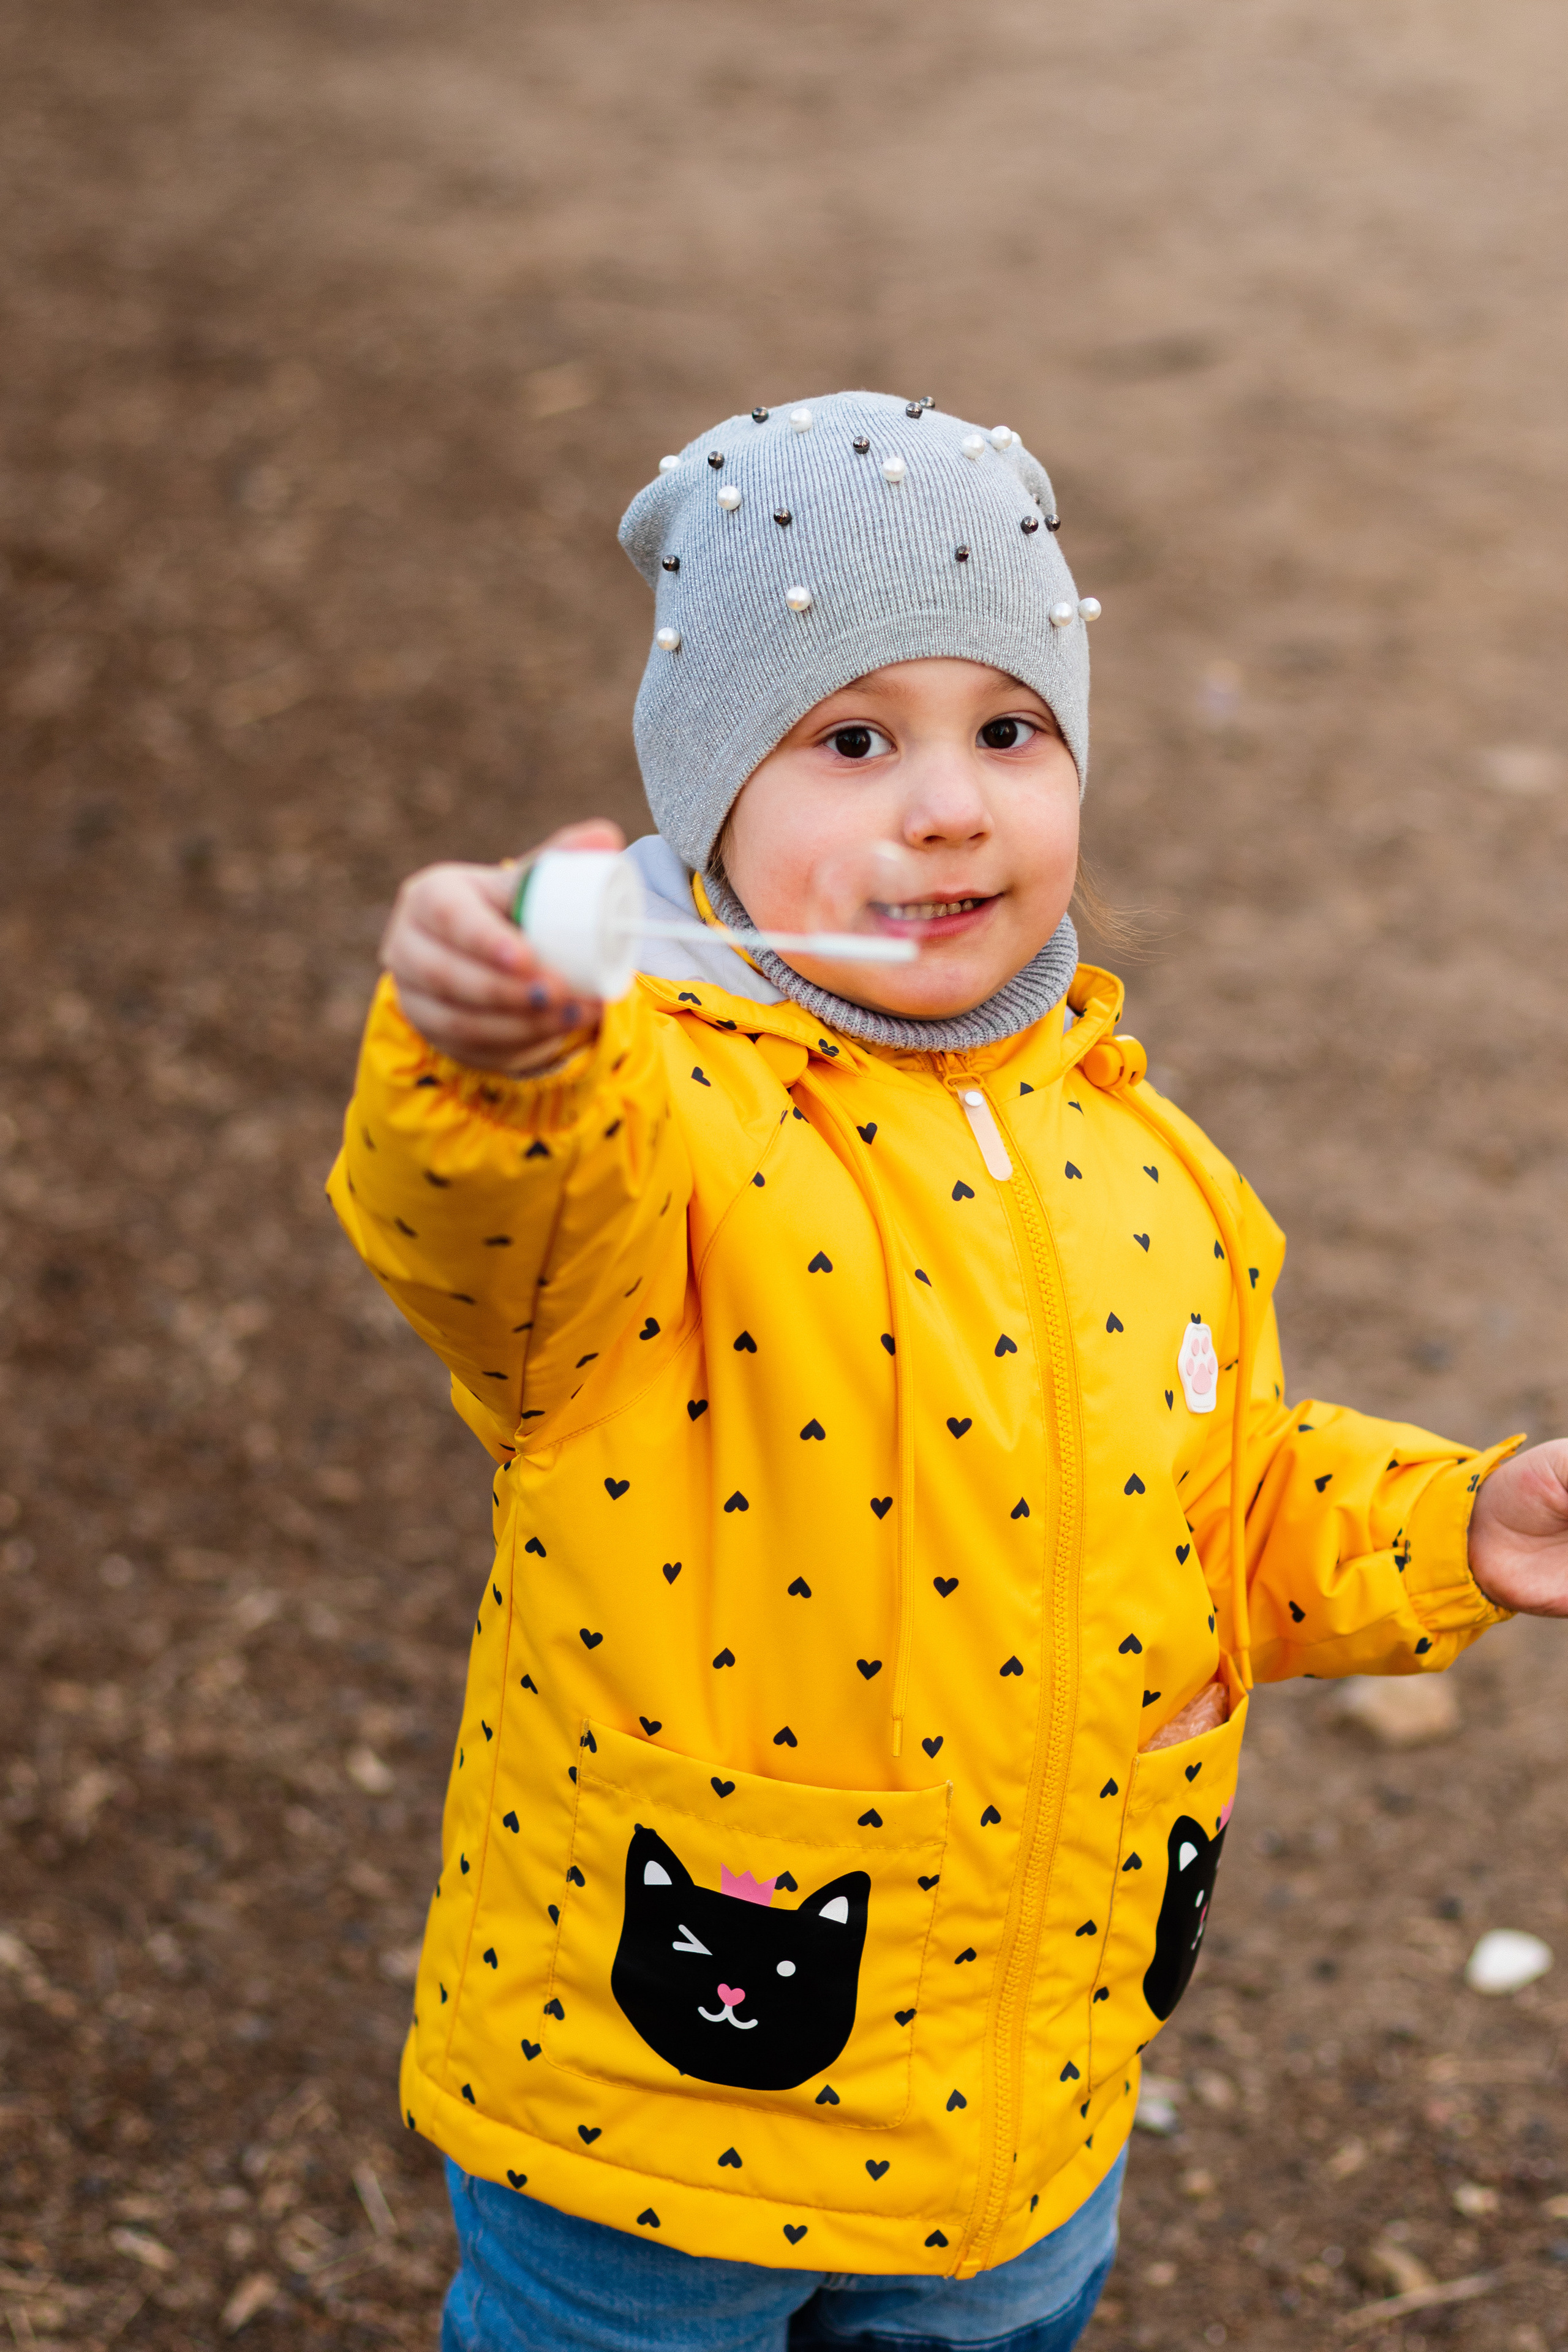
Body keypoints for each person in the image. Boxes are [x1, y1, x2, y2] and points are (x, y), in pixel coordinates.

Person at [329, 392, 1568, 2352]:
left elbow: (1217, 1506)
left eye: (1010, 727)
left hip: (1023, 2115)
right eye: (849, 740)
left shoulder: (1149, 1164)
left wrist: (1455, 1525)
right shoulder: (650, 1130)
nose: (950, 804)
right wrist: (490, 1063)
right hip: (663, 2122)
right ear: (708, 799)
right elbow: (488, 1217)